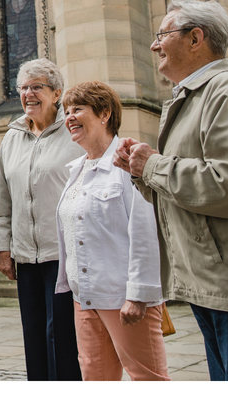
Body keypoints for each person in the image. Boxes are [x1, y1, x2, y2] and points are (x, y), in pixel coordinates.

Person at [115, 0, 228, 381]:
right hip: (214, 285)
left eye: (163, 34)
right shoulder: (197, 96)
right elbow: (188, 191)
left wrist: (154, 165)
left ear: (196, 38)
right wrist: (140, 172)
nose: (154, 44)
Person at [56, 81, 168, 381]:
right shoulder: (76, 169)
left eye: (78, 109)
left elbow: (146, 233)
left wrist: (139, 295)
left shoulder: (128, 161)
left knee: (149, 379)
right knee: (96, 380)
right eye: (66, 111)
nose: (69, 117)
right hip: (84, 299)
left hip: (124, 300)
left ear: (105, 113)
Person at [0, 58, 83, 381]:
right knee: (33, 335)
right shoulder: (12, 136)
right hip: (26, 256)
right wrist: (3, 248)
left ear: (57, 93)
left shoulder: (74, 133)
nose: (28, 94)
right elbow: (4, 201)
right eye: (24, 88)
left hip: (64, 254)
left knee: (62, 335)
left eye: (37, 87)